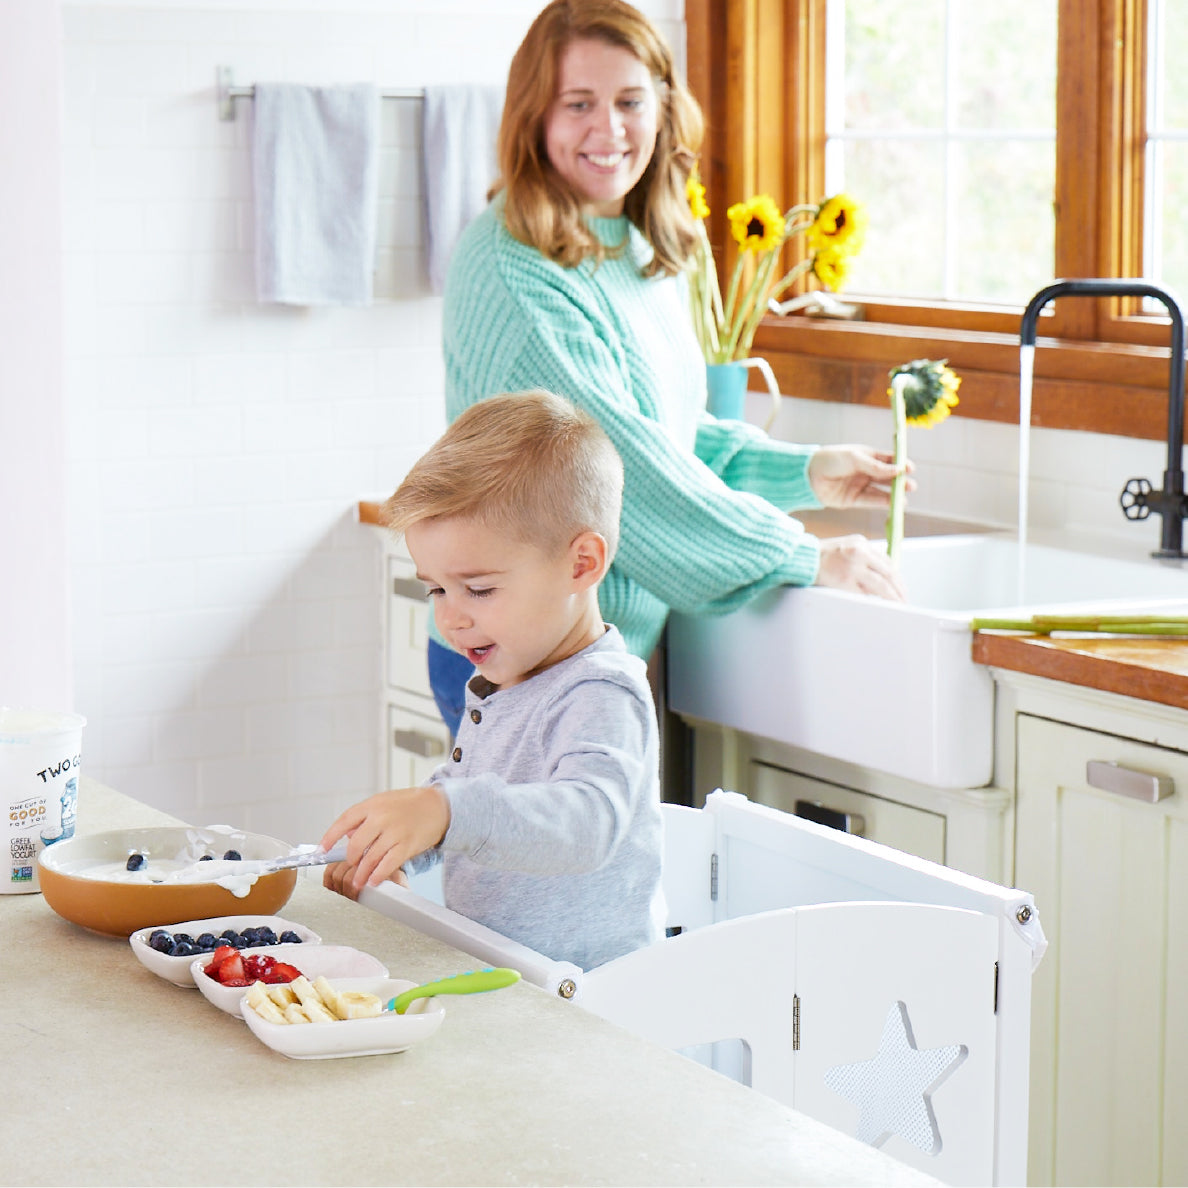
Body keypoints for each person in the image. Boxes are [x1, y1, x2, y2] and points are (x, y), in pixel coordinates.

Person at [431, 0, 911, 738]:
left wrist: (806, 471)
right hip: (515, 662)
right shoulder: (515, 267)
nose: (610, 129)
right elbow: (625, 469)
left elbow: (671, 438)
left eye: (630, 101)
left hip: (591, 650)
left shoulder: (643, 249)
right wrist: (800, 553)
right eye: (578, 104)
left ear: (661, 107)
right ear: (534, 117)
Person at [321, 390, 663, 971]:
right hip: (499, 977)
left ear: (581, 564)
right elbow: (467, 797)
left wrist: (445, 812)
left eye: (478, 589)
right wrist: (403, 848)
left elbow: (587, 822)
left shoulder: (602, 690)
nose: (450, 617)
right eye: (436, 589)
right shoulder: (499, 683)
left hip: (592, 1007)